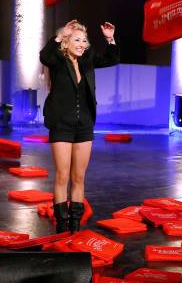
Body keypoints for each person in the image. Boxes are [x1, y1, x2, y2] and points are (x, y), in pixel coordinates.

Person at [39, 19, 120, 233]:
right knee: (62, 175)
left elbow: (112, 59)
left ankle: (75, 226)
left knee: (78, 177)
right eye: (77, 39)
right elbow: (44, 56)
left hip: (84, 124)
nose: (82, 44)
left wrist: (110, 39)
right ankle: (61, 225)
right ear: (66, 43)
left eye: (84, 40)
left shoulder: (88, 60)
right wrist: (59, 35)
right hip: (61, 125)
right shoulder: (57, 59)